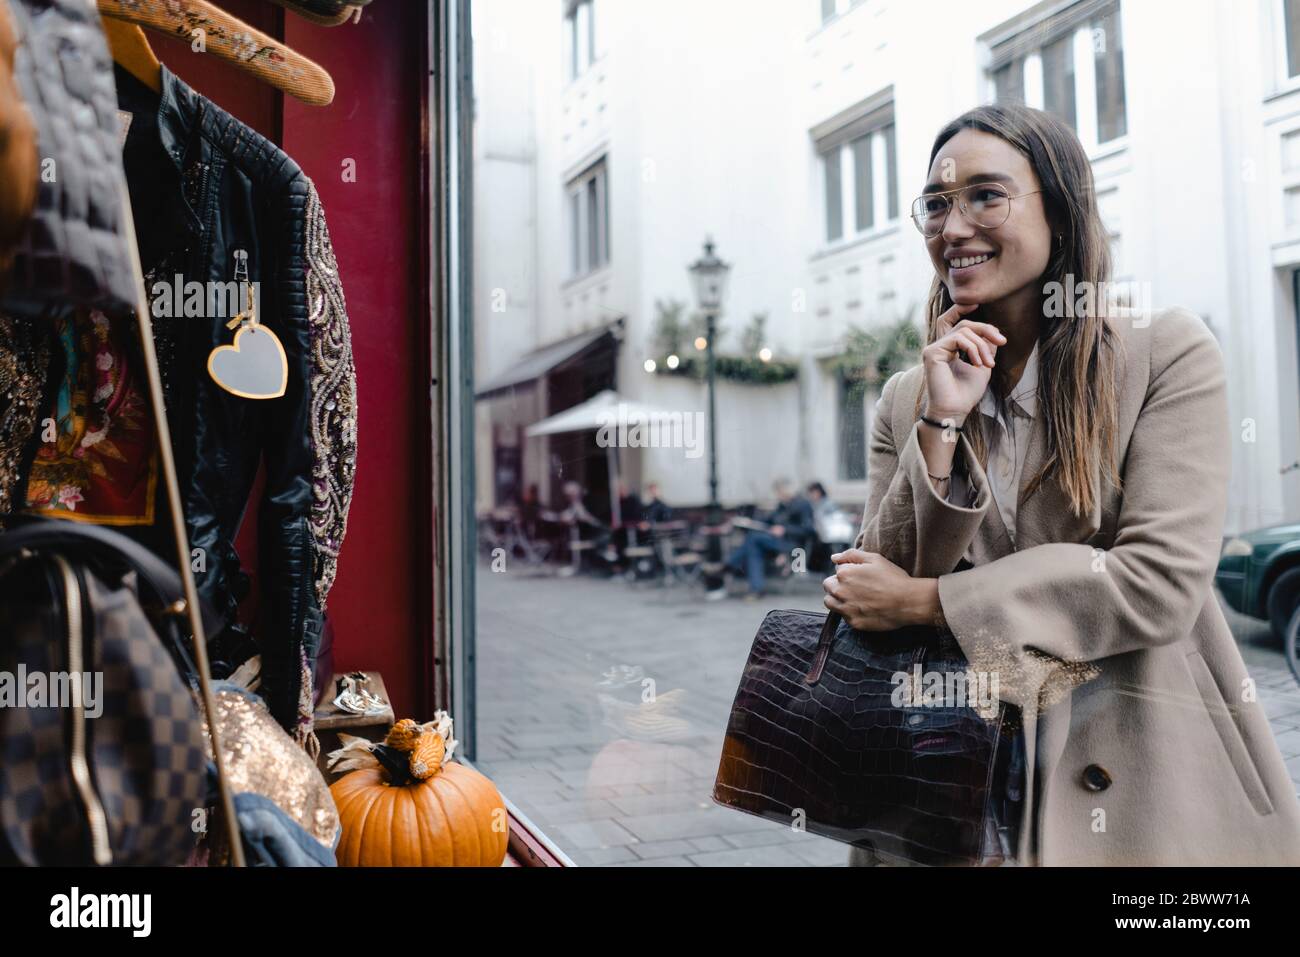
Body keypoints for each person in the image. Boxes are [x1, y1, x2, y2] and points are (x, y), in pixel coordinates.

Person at [824, 103, 1300, 866]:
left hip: (1150, 787)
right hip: (944, 789)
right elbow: (868, 592)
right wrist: (941, 427)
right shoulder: (907, 397)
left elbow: (1157, 582)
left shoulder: (1165, 355)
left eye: (986, 194)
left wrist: (930, 604)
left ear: (1063, 206)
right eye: (938, 203)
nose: (953, 227)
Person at [720, 478, 814, 600]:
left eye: (780, 492)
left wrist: (785, 529)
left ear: (787, 491)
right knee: (753, 546)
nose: (778, 495)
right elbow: (767, 521)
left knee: (753, 540)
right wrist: (748, 522)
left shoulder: (803, 504)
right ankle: (756, 589)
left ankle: (728, 566)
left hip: (792, 544)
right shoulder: (781, 506)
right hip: (776, 543)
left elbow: (809, 530)